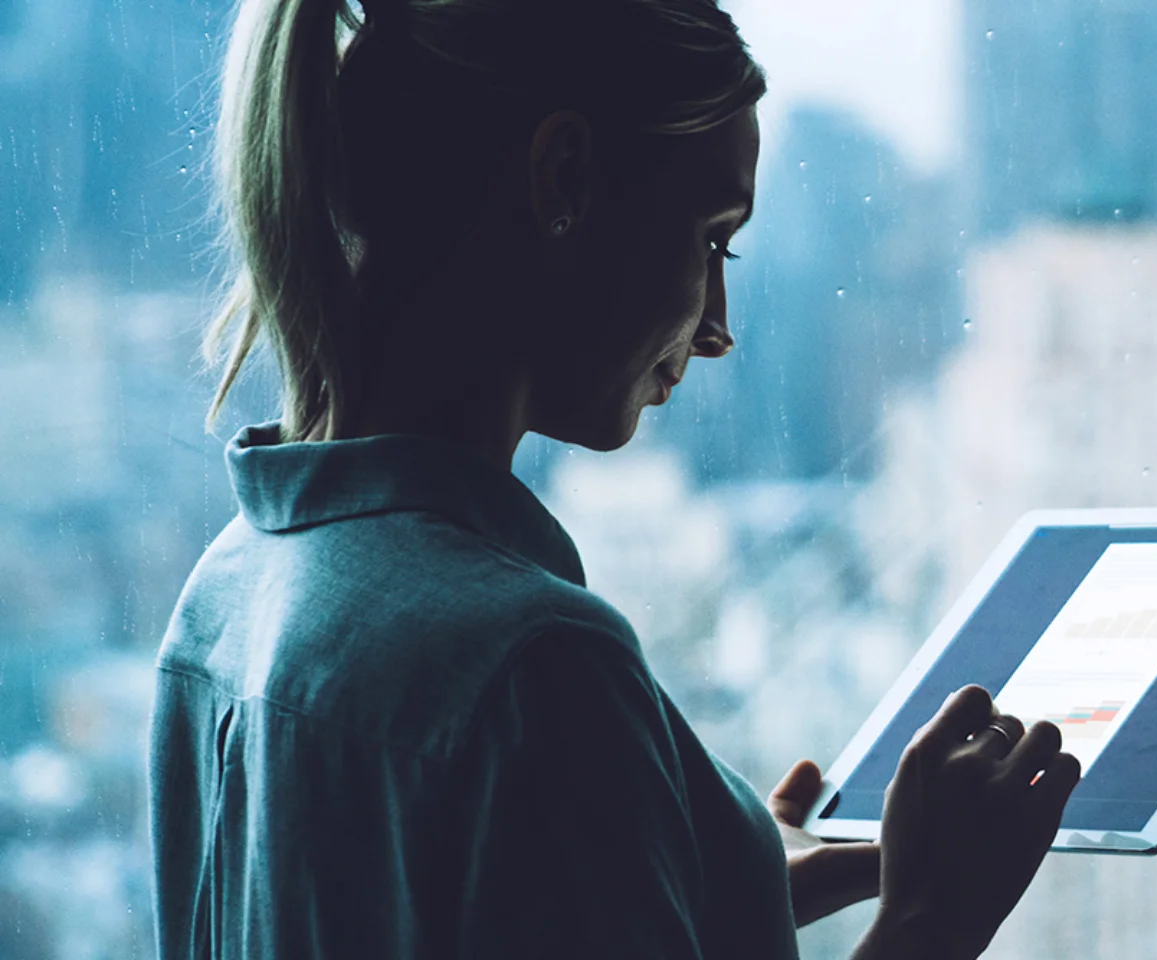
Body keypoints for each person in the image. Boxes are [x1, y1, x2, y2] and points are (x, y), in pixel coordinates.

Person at [146, 0, 1083, 956]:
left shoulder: (221, 604)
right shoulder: (536, 669)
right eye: (711, 239)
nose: (717, 328)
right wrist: (933, 919)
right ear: (567, 177)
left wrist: (695, 877)